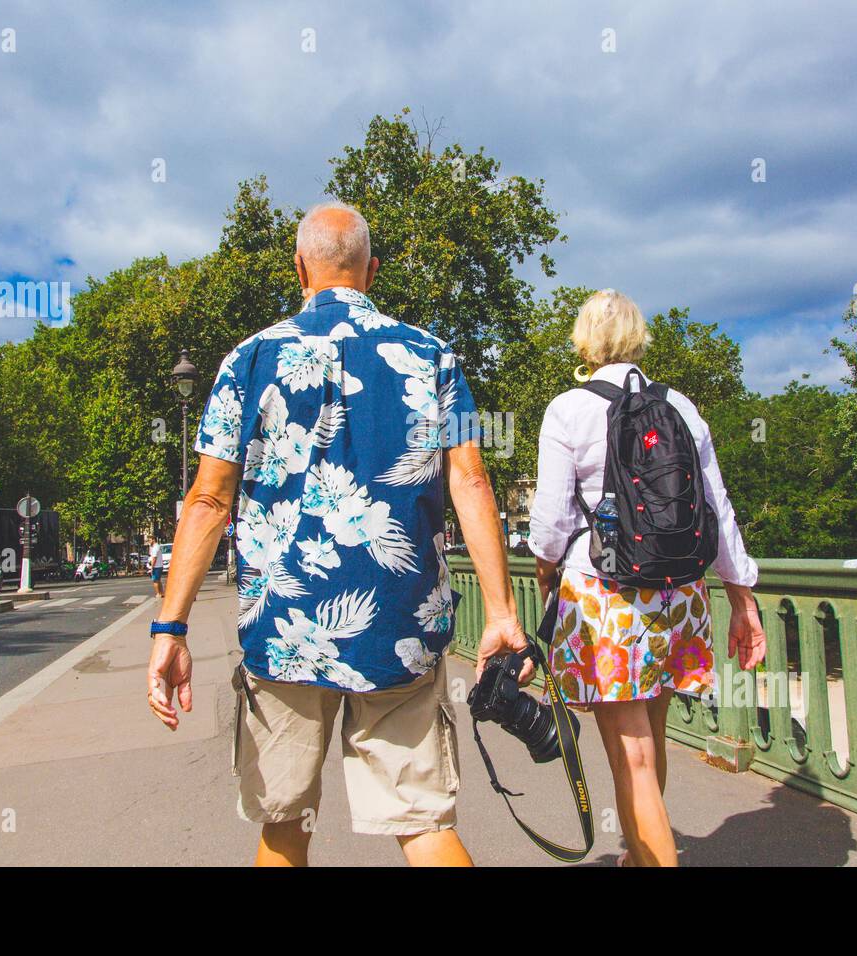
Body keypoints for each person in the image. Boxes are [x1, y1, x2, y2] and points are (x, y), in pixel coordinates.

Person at [145, 201, 529, 867]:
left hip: (283, 626)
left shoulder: (250, 358)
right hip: (399, 625)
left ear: (300, 268)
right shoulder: (430, 355)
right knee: (425, 825)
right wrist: (501, 610)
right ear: (371, 271)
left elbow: (208, 500)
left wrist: (169, 629)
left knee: (283, 827)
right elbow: (470, 483)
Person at [528, 288, 766, 867]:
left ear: (584, 340)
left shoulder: (568, 409)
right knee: (651, 737)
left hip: (606, 595)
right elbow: (717, 509)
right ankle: (641, 855)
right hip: (679, 592)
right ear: (638, 336)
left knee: (629, 753)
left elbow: (551, 525)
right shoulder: (681, 407)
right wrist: (743, 599)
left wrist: (545, 577)